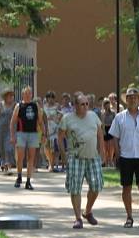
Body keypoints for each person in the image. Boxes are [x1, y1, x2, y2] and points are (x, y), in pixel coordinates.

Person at [109, 86, 139, 229]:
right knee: (127, 188)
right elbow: (115, 137)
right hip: (126, 155)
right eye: (130, 97)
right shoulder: (120, 117)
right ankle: (129, 216)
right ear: (126, 100)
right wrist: (117, 153)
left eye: (135, 97)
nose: (132, 99)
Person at [57, 93, 105, 229]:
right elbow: (60, 137)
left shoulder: (93, 116)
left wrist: (102, 152)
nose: (85, 107)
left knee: (96, 186)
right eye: (82, 104)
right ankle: (78, 218)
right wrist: (63, 155)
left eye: (87, 104)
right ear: (75, 106)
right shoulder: (67, 119)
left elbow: (100, 135)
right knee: (75, 188)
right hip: (75, 158)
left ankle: (87, 211)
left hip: (93, 157)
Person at [9, 86, 44, 190]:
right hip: (21, 133)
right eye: (26, 93)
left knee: (31, 158)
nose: (29, 95)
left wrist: (44, 134)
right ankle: (19, 177)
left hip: (33, 134)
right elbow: (12, 122)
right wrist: (12, 135)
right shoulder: (18, 106)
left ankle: (28, 181)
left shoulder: (35, 105)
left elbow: (40, 121)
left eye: (30, 93)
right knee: (20, 157)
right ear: (23, 94)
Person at [42, 91, 62, 173]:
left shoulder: (57, 106)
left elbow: (61, 115)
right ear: (46, 98)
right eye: (49, 97)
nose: (50, 99)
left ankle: (51, 165)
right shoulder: (44, 107)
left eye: (52, 97)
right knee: (46, 147)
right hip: (47, 128)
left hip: (55, 128)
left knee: (53, 147)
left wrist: (55, 118)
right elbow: (42, 117)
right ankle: (49, 161)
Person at [101, 98, 116, 167]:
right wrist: (103, 130)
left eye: (108, 104)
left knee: (111, 146)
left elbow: (114, 121)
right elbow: (102, 122)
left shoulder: (113, 112)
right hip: (105, 129)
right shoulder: (103, 113)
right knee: (105, 146)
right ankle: (106, 161)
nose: (107, 106)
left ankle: (110, 160)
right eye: (105, 104)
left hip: (111, 128)